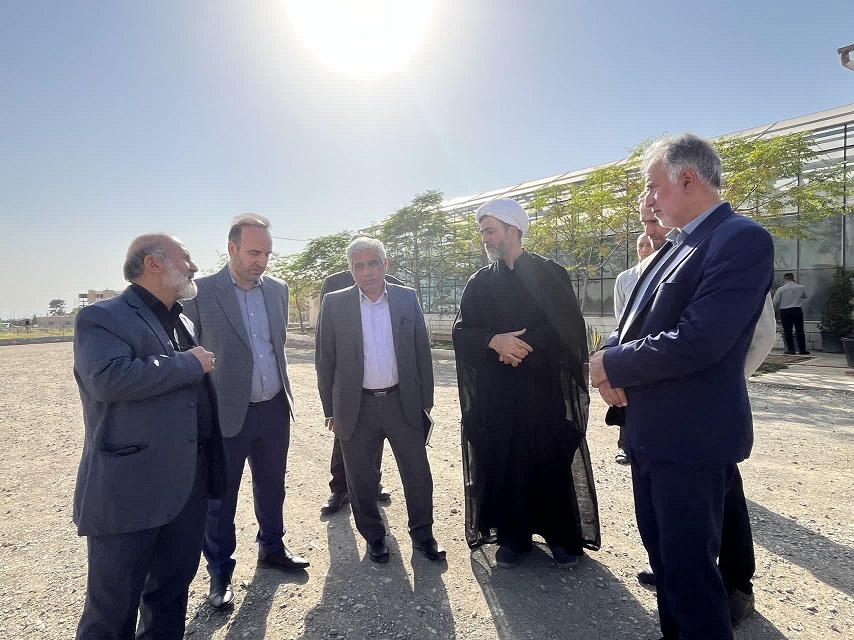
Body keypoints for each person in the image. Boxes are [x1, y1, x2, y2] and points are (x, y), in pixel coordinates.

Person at [590, 133, 774, 640]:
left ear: (687, 178)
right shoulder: (678, 244)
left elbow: (701, 340)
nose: (649, 199)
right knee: (669, 571)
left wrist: (613, 363)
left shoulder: (739, 239)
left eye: (654, 186)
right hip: (650, 436)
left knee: (692, 582)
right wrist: (607, 357)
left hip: (691, 442)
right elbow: (633, 321)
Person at [622, 202, 774, 629]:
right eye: (645, 223)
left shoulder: (728, 245)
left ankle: (736, 583)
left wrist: (723, 385)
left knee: (721, 511)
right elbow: (628, 331)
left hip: (701, 420)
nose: (652, 227)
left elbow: (754, 335)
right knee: (675, 546)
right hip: (652, 419)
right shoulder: (644, 268)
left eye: (655, 217)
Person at [72, 233, 226, 639]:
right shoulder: (102, 317)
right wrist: (188, 364)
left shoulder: (183, 320)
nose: (194, 266)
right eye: (186, 257)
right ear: (154, 264)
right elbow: (107, 378)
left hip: (186, 486)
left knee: (170, 596)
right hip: (130, 490)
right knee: (112, 611)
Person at [453, 197, 600, 570]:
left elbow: (568, 327)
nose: (485, 239)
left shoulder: (551, 274)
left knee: (547, 458)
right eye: (483, 232)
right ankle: (513, 537)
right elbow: (461, 332)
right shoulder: (479, 282)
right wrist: (495, 341)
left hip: (542, 392)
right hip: (498, 396)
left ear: (512, 230)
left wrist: (522, 346)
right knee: (506, 461)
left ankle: (559, 535)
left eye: (490, 231)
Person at [183, 214, 307, 610]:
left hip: (273, 408)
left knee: (272, 486)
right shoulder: (200, 293)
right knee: (221, 498)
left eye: (267, 254)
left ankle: (272, 548)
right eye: (254, 253)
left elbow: (275, 346)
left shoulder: (279, 290)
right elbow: (187, 355)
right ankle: (220, 572)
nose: (262, 261)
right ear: (232, 248)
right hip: (225, 414)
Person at [315, 237, 445, 563]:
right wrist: (330, 409)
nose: (367, 271)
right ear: (351, 270)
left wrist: (426, 399)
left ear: (385, 264)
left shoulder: (405, 298)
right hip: (357, 407)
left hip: (402, 403)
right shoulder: (335, 303)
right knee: (360, 478)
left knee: (417, 473)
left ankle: (423, 534)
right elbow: (325, 359)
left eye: (373, 263)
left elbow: (421, 349)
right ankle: (374, 537)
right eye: (358, 266)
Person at [318, 268, 403, 515]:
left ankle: (372, 483)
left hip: (384, 379)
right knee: (344, 435)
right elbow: (325, 337)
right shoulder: (334, 283)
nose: (366, 269)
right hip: (347, 381)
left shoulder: (396, 286)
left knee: (377, 436)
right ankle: (340, 487)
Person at [611, 230, 655, 465]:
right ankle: (625, 446)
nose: (645, 248)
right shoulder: (625, 278)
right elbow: (621, 317)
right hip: (630, 349)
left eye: (649, 244)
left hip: (656, 348)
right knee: (626, 398)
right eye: (640, 245)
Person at [773, 272, 809, 355]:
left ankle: (791, 349)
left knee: (788, 331)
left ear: (784, 279)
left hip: (785, 311)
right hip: (797, 310)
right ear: (793, 279)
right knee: (800, 330)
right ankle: (802, 350)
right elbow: (805, 296)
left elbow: (775, 301)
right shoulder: (801, 287)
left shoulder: (781, 289)